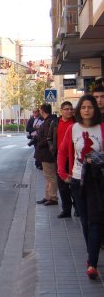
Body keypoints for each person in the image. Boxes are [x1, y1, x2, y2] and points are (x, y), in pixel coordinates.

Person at [57, 94, 104, 280]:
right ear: (79, 110)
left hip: (96, 181)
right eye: (83, 107)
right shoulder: (73, 128)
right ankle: (91, 251)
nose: (86, 110)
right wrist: (62, 172)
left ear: (95, 110)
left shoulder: (101, 128)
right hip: (77, 180)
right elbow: (62, 151)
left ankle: (92, 263)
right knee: (84, 220)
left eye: (90, 107)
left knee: (95, 220)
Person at [51, 101, 76, 218]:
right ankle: (66, 210)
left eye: (71, 109)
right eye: (66, 109)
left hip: (74, 158)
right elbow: (49, 137)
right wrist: (53, 150)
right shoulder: (55, 122)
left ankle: (78, 208)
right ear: (61, 111)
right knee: (62, 186)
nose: (69, 111)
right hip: (60, 158)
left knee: (76, 184)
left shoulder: (77, 122)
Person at [35, 103, 59, 206]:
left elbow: (47, 138)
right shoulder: (49, 120)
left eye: (40, 110)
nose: (39, 112)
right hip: (46, 153)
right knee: (47, 176)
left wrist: (39, 144)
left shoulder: (49, 121)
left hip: (48, 153)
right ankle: (48, 196)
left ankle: (53, 197)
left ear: (42, 111)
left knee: (50, 176)